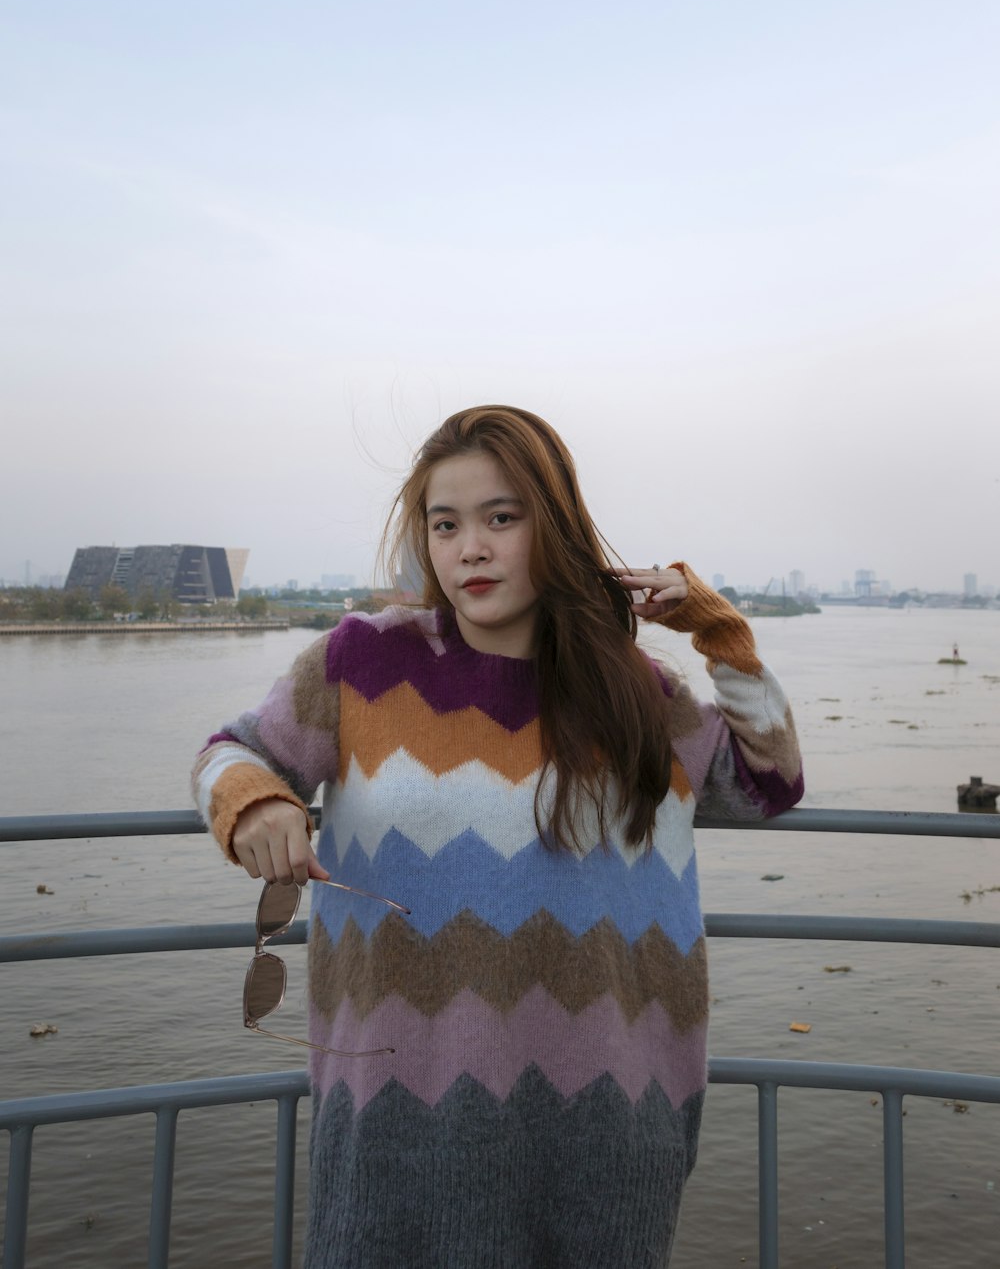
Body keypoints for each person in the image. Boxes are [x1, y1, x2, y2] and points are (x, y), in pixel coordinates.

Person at [192, 405, 803, 1267]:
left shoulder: (636, 689)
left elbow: (768, 784)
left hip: (611, 1130)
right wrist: (254, 802)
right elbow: (232, 750)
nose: (469, 548)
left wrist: (718, 629)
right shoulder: (361, 660)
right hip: (393, 1128)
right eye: (446, 526)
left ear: (552, 527)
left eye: (500, 518)